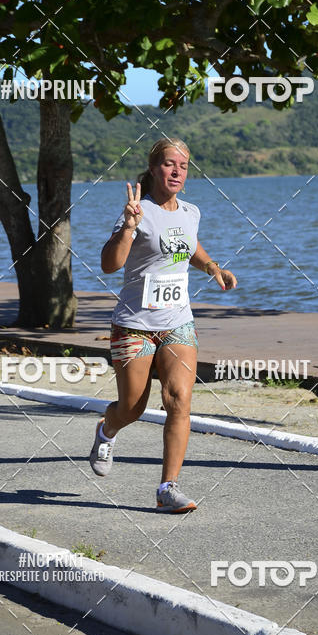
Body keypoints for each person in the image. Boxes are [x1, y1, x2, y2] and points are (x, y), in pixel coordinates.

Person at [90, 138, 237, 513]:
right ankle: (107, 429)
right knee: (132, 408)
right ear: (154, 168)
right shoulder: (139, 211)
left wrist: (212, 267)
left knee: (179, 400)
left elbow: (190, 246)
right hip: (134, 325)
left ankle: (167, 488)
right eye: (170, 164)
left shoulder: (190, 211)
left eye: (184, 166)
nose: (177, 172)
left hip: (177, 323)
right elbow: (110, 264)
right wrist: (128, 227)